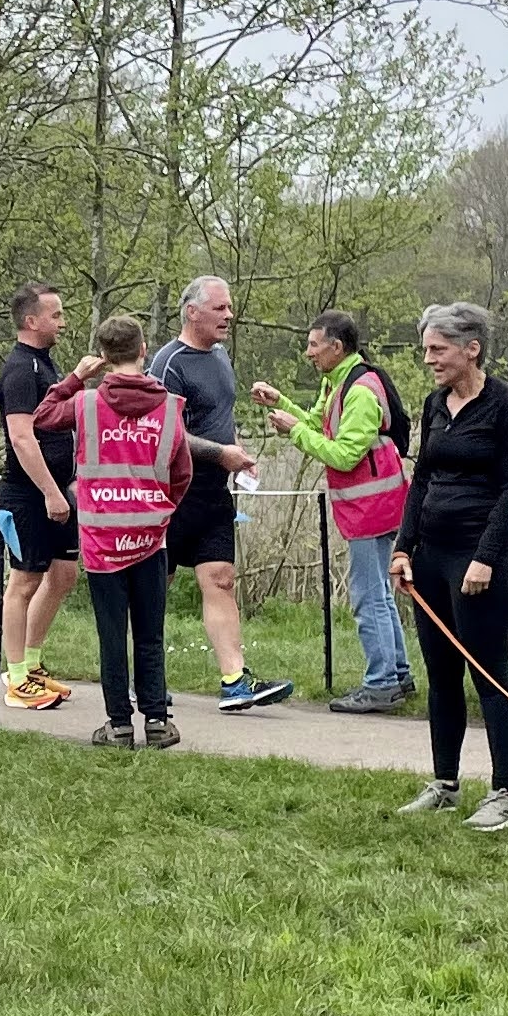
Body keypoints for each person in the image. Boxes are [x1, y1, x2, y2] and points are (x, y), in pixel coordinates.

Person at [397, 303, 508, 831]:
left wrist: (484, 557)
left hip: (482, 561)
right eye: (426, 349)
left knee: (489, 673)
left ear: (472, 348)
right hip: (431, 557)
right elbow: (422, 480)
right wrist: (403, 548)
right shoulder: (435, 403)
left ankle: (506, 794)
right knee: (441, 674)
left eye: (438, 349)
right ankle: (445, 783)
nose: (428, 359)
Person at [35, 315, 196, 748]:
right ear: (144, 350)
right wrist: (161, 509)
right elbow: (182, 471)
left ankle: (119, 725)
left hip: (101, 538)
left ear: (104, 357)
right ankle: (158, 721)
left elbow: (42, 416)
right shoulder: (169, 407)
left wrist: (74, 377)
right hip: (150, 536)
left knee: (112, 634)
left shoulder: (85, 404)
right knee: (150, 633)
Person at [258, 309, 416, 714]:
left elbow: (345, 455)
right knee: (379, 593)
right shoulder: (339, 382)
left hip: (370, 507)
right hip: (374, 504)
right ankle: (398, 675)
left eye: (314, 345)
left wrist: (294, 431)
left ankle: (381, 684)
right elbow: (318, 423)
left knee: (367, 597)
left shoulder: (359, 391)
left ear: (337, 346)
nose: (308, 352)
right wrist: (284, 404)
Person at [149, 277, 293, 712]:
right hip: (172, 493)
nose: (230, 315)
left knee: (222, 580)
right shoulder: (168, 363)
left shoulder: (220, 355)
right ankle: (145, 678)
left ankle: (235, 681)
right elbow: (165, 432)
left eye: (229, 308)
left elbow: (219, 419)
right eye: (220, 308)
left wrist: (239, 454)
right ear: (192, 312)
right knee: (157, 586)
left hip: (214, 492)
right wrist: (219, 453)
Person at [0, 283, 81, 708]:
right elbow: (22, 438)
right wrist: (50, 492)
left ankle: (31, 663)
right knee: (25, 580)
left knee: (63, 575)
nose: (62, 322)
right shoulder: (20, 369)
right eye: (56, 315)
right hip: (28, 494)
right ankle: (14, 679)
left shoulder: (45, 364)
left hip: (60, 489)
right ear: (32, 321)